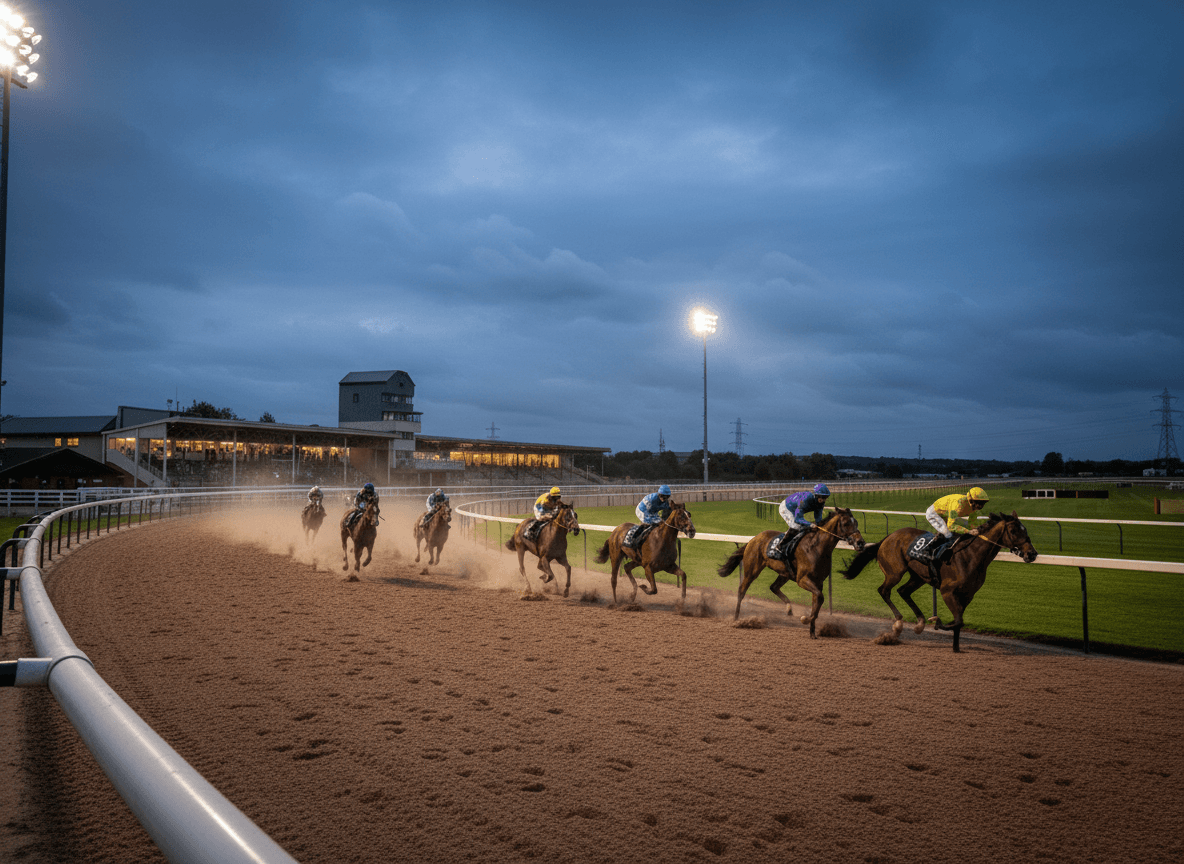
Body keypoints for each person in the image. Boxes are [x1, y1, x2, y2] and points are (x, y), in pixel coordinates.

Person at [925, 486, 989, 559]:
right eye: (979, 503)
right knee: (947, 533)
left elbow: (972, 525)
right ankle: (927, 550)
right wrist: (968, 531)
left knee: (961, 530)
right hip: (934, 514)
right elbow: (951, 526)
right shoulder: (957, 505)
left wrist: (975, 531)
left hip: (946, 514)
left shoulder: (974, 509)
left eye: (982, 503)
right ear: (971, 500)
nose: (980, 506)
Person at [777, 483, 830, 554]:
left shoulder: (820, 503)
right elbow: (797, 519)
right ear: (817, 496)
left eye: (825, 498)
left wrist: (820, 525)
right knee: (796, 526)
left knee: (804, 527)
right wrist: (810, 524)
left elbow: (818, 517)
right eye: (822, 497)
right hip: (786, 508)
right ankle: (780, 546)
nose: (824, 500)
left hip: (794, 509)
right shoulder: (805, 499)